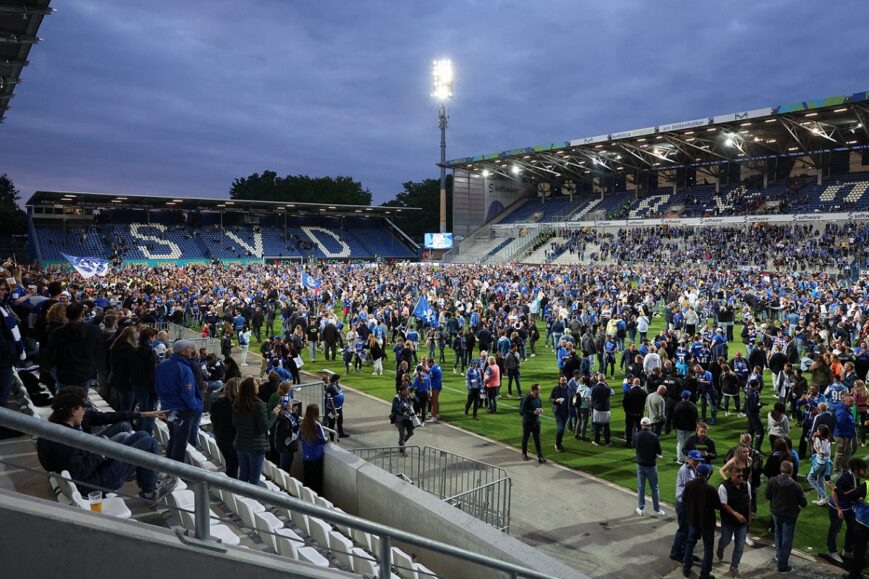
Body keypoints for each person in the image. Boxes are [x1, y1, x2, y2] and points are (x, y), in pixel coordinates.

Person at [36, 389, 176, 500]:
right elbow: (79, 471)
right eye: (82, 409)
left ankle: (148, 479)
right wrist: (100, 452)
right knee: (149, 442)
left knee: (142, 435)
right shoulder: (65, 439)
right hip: (96, 482)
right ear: (73, 411)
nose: (84, 413)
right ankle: (149, 492)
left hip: (95, 471)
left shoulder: (54, 430)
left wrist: (97, 447)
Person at [155, 339, 203, 463]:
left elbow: (157, 386)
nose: (193, 351)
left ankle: (169, 466)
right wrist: (197, 407)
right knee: (180, 443)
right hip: (182, 411)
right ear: (183, 351)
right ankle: (175, 473)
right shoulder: (184, 368)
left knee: (173, 438)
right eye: (190, 349)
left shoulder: (163, 364)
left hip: (167, 408)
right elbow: (188, 395)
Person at [765, 460, 806, 573]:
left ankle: (779, 556)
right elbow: (804, 503)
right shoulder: (796, 486)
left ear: (780, 469)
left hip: (776, 513)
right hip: (790, 515)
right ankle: (782, 564)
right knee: (787, 539)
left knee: (778, 534)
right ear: (791, 471)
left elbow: (767, 495)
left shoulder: (772, 481)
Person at [826, 457, 868, 565]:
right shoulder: (845, 478)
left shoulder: (856, 477)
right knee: (835, 529)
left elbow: (852, 492)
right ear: (856, 469)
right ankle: (832, 551)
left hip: (849, 507)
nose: (865, 471)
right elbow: (834, 492)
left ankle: (847, 551)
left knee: (852, 528)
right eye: (863, 469)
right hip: (837, 508)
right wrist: (839, 509)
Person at [232, 376, 272, 486]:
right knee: (254, 478)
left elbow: (235, 424)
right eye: (256, 385)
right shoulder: (260, 406)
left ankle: (242, 500)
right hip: (255, 446)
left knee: (243, 475)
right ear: (251, 389)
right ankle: (252, 501)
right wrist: (274, 415)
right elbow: (264, 427)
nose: (258, 386)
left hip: (241, 444)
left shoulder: (237, 404)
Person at [682, 462, 719, 579]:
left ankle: (686, 568)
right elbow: (718, 505)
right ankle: (704, 574)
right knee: (708, 549)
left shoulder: (689, 485)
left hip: (693, 520)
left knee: (690, 543)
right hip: (707, 523)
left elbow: (684, 498)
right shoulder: (710, 489)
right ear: (707, 475)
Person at [716, 467, 751, 578]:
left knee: (740, 546)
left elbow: (749, 501)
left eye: (742, 472)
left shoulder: (747, 485)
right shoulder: (723, 487)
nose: (741, 474)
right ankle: (721, 547)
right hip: (728, 522)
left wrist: (749, 516)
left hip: (742, 523)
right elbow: (723, 504)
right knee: (726, 540)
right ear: (731, 474)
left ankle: (734, 566)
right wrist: (736, 514)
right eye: (738, 472)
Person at [669, 449, 702, 562]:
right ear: (689, 459)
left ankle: (685, 552)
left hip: (689, 504)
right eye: (696, 460)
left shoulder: (694, 468)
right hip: (683, 504)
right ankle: (676, 552)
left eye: (698, 460)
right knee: (683, 530)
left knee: (688, 530)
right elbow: (691, 488)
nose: (697, 462)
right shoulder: (684, 470)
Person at [633, 416, 665, 517]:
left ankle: (641, 508)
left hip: (640, 464)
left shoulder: (636, 435)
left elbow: (634, 446)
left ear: (641, 424)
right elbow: (659, 451)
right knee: (654, 488)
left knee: (641, 487)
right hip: (651, 465)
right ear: (650, 425)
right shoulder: (654, 436)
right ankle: (657, 509)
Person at [210, 377, 240, 478]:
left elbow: (213, 418)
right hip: (232, 439)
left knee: (230, 463)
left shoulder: (217, 402)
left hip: (220, 436)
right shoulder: (238, 405)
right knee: (233, 466)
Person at [299, 403, 327, 494]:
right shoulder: (317, 425)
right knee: (317, 482)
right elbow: (323, 440)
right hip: (316, 456)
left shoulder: (302, 424)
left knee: (307, 480)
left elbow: (299, 437)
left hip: (306, 456)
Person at [274, 396, 302, 473]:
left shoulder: (288, 416)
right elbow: (287, 434)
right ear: (286, 406)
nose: (291, 404)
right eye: (290, 403)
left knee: (286, 464)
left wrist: (294, 413)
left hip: (287, 447)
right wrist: (296, 432)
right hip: (285, 447)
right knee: (285, 467)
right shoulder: (284, 420)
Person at [519, 383, 546, 463]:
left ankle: (540, 456)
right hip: (528, 422)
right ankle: (524, 453)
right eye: (538, 389)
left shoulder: (538, 398)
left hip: (536, 422)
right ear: (534, 390)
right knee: (525, 438)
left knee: (537, 439)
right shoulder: (526, 399)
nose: (539, 391)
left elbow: (540, 407)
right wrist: (533, 412)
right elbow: (522, 411)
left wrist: (541, 410)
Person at [807, 424, 832, 505]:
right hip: (824, 462)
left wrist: (816, 449)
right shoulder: (825, 439)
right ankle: (821, 498)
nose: (816, 431)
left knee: (810, 478)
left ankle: (824, 496)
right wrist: (814, 438)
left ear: (821, 432)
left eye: (818, 430)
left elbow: (822, 453)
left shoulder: (823, 442)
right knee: (820, 479)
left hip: (820, 463)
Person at [833, 394, 857, 474]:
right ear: (844, 401)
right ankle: (836, 469)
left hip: (847, 434)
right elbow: (840, 424)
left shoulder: (846, 408)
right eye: (850, 401)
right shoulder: (842, 411)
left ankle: (845, 467)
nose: (852, 403)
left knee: (848, 452)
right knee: (840, 452)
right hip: (842, 435)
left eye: (852, 401)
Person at [672, 390, 698, 463]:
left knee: (680, 443)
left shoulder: (678, 405)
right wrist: (694, 427)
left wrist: (674, 427)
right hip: (689, 428)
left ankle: (680, 459)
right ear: (689, 397)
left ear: (682, 397)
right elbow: (695, 418)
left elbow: (674, 417)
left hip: (680, 428)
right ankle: (687, 459)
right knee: (688, 444)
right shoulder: (693, 406)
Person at [391, 384, 416, 455]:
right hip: (400, 419)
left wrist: (412, 397)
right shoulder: (396, 398)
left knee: (411, 433)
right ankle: (403, 450)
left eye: (407, 390)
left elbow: (417, 401)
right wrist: (402, 414)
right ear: (401, 391)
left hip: (408, 419)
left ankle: (401, 443)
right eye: (406, 390)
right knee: (402, 435)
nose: (407, 391)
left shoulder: (408, 397)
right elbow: (395, 408)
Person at [623, 377, 647, 447]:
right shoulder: (644, 392)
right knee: (639, 428)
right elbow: (645, 404)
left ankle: (628, 442)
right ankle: (639, 442)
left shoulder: (628, 392)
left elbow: (625, 403)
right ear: (639, 383)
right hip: (639, 413)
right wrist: (641, 410)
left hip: (630, 413)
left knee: (629, 428)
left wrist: (627, 411)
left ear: (633, 383)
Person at [590, 373, 613, 447]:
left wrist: (592, 407)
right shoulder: (607, 388)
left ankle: (597, 441)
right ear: (604, 379)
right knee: (606, 427)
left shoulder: (594, 388)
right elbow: (612, 393)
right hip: (606, 409)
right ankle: (607, 442)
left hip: (597, 409)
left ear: (598, 379)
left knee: (597, 426)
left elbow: (592, 398)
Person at [550, 375, 570, 453]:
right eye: (562, 380)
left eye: (565, 380)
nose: (564, 382)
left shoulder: (568, 389)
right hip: (558, 412)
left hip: (566, 412)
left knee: (562, 429)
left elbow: (571, 397)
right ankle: (557, 445)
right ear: (559, 381)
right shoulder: (555, 389)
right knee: (560, 429)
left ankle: (559, 443)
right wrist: (556, 401)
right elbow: (550, 398)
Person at [325, 374, 347, 438]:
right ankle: (332, 437)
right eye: (339, 379)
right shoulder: (330, 388)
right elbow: (329, 399)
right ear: (336, 379)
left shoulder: (337, 386)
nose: (340, 380)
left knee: (340, 421)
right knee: (331, 423)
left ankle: (341, 433)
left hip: (339, 407)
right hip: (332, 409)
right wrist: (333, 409)